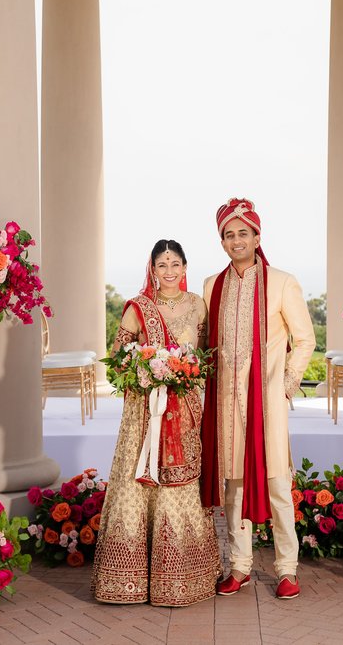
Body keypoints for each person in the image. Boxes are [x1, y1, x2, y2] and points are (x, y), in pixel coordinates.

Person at [92, 239, 221, 607]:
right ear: (152, 268)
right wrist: (148, 373)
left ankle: (184, 575)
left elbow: (208, 353)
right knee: (140, 480)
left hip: (186, 407)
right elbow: (117, 360)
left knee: (181, 482)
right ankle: (128, 579)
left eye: (175, 264)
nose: (168, 272)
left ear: (185, 267)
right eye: (161, 265)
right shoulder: (138, 309)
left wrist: (184, 373)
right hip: (145, 410)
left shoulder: (198, 305)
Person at [200, 198, 315, 600]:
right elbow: (206, 345)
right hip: (226, 402)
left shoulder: (282, 282)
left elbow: (305, 340)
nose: (236, 240)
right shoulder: (212, 285)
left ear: (257, 237)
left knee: (277, 484)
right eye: (228, 235)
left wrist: (284, 385)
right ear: (222, 241)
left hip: (266, 403)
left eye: (242, 233)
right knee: (233, 487)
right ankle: (240, 566)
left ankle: (287, 569)